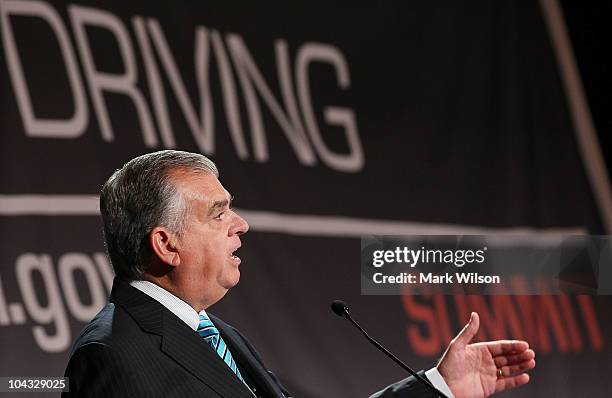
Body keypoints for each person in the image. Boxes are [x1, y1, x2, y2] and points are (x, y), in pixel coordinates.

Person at [63, 150, 535, 398]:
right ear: (167, 245)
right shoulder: (113, 356)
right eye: (217, 213)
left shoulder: (213, 333)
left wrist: (439, 386)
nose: (241, 225)